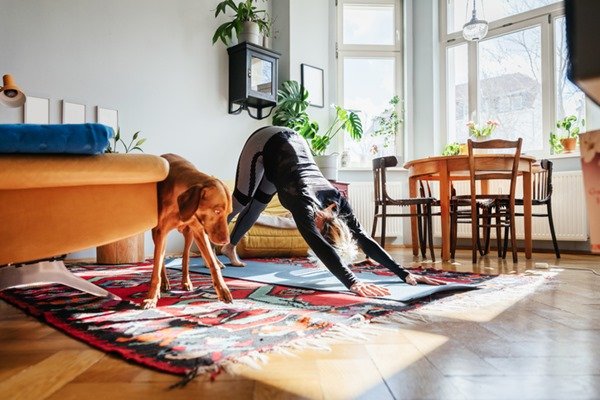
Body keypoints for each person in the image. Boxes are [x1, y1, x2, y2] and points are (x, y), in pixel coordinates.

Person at [221, 126, 445, 297]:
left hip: (285, 161)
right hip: (267, 141)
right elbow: (320, 246)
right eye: (317, 232)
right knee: (241, 202)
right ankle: (211, 233)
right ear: (322, 226)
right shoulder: (304, 204)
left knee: (258, 205)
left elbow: (364, 239)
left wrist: (404, 273)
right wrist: (352, 282)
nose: (313, 233)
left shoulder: (339, 201)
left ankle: (229, 247)